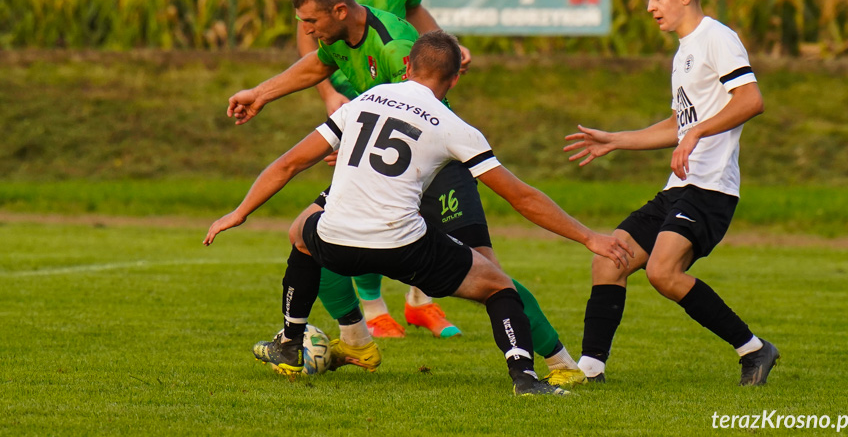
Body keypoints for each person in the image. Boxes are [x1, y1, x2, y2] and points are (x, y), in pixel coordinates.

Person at [205, 31, 633, 396]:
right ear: (452, 78)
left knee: (301, 231)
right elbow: (521, 197)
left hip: (335, 243)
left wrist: (240, 212)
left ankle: (289, 342)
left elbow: (288, 163)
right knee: (498, 285)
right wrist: (589, 238)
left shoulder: (369, 97)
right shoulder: (453, 125)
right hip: (402, 246)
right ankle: (524, 376)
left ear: (406, 65)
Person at [563, 0, 779, 386]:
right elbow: (680, 123)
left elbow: (751, 100)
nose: (650, 7)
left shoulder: (716, 37)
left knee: (663, 272)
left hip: (711, 189)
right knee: (610, 258)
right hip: (679, 188)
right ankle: (591, 369)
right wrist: (617, 140)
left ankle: (754, 350)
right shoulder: (682, 53)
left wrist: (697, 134)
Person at [296, 0, 471, 341]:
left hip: (409, 95)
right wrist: (329, 95)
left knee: (421, 194)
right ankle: (373, 309)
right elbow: (309, 36)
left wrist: (447, 45)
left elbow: (414, 12)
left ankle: (420, 303)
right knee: (364, 203)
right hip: (360, 105)